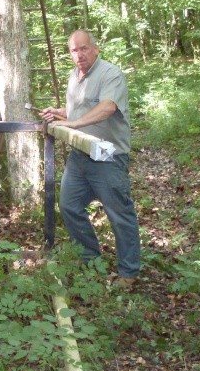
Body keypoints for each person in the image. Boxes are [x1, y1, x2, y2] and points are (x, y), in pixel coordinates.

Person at [40, 30, 141, 285]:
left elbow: (107, 107)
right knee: (69, 205)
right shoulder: (74, 77)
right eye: (74, 50)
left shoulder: (110, 74)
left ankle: (128, 273)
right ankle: (90, 260)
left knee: (119, 213)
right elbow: (79, 109)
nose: (79, 55)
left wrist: (74, 123)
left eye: (84, 48)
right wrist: (61, 113)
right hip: (80, 155)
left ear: (95, 49)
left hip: (108, 156)